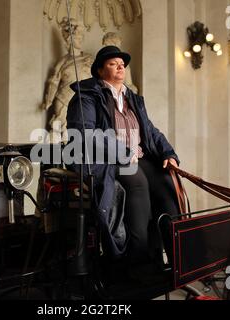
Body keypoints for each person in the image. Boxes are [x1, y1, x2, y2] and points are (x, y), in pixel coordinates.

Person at [66, 46, 181, 269]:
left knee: (166, 183)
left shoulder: (133, 100)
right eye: (112, 63)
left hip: (138, 157)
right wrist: (123, 154)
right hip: (105, 160)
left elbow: (150, 131)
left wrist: (168, 153)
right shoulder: (86, 97)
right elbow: (85, 134)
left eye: (122, 63)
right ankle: (137, 263)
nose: (120, 66)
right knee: (137, 184)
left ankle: (176, 259)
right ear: (100, 71)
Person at [41, 18, 93, 140]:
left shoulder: (89, 59)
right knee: (61, 131)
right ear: (69, 40)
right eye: (78, 38)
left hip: (83, 99)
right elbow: (53, 82)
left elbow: (97, 80)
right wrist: (48, 100)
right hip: (63, 99)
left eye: (81, 38)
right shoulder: (62, 62)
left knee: (83, 130)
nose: (81, 40)